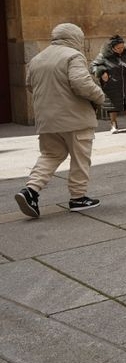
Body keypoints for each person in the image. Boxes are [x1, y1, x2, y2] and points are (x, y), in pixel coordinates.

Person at [14, 23, 109, 218]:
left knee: (50, 155)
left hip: (47, 120)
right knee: (80, 158)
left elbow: (30, 85)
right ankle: (78, 197)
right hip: (75, 118)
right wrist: (99, 96)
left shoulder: (37, 58)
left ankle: (30, 190)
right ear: (75, 37)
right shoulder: (72, 56)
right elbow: (81, 83)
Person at [91, 35, 126, 133]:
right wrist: (102, 72)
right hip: (112, 84)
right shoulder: (103, 56)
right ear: (112, 48)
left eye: (122, 47)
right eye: (118, 48)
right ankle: (113, 124)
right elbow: (93, 66)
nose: (121, 49)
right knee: (113, 105)